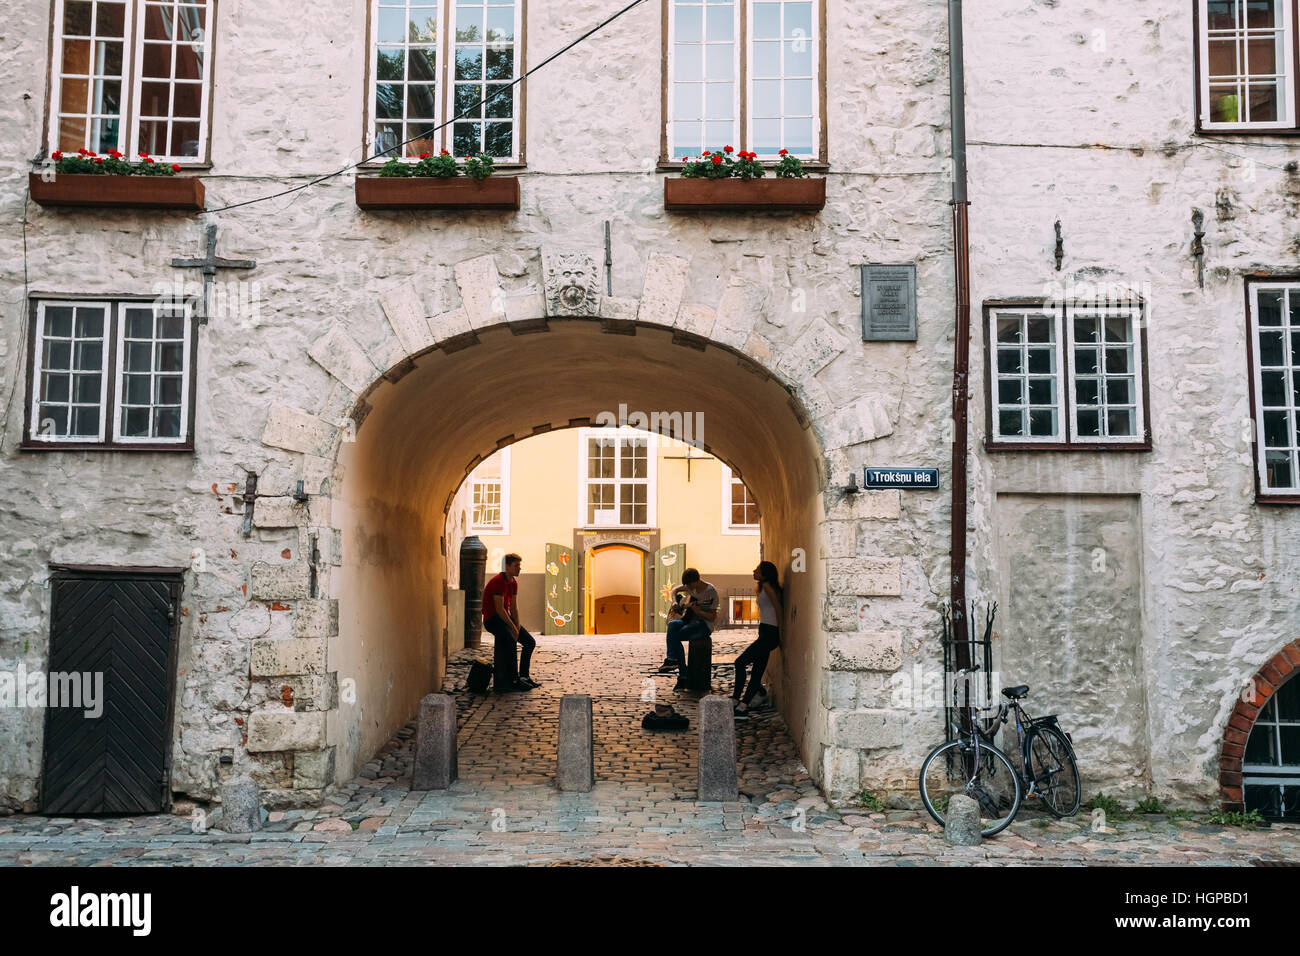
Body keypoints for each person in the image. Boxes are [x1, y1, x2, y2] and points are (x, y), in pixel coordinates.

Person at [482, 553, 539, 692]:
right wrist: (513, 628)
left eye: (519, 566)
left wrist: (517, 627)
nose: (519, 568)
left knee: (530, 642)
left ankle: (524, 676)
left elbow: (513, 607)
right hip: (493, 620)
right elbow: (499, 609)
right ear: (506, 566)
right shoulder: (498, 582)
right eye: (516, 566)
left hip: (504, 619)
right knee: (510, 640)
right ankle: (514, 679)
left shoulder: (513, 582)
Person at [733, 561, 782, 719]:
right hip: (765, 631)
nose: (754, 571)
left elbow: (778, 608)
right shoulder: (763, 587)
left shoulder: (768, 586)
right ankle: (744, 705)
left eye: (758, 570)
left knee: (740, 662)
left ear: (765, 575)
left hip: (770, 632)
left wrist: (781, 633)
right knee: (757, 671)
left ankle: (737, 700)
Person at [667, 568, 718, 692]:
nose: (688, 588)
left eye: (689, 585)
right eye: (687, 586)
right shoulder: (690, 587)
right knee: (672, 625)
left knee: (675, 637)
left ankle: (681, 672)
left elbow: (712, 617)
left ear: (697, 580)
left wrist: (699, 612)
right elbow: (675, 590)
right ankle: (672, 659)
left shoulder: (710, 592)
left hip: (703, 624)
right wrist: (675, 602)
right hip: (689, 620)